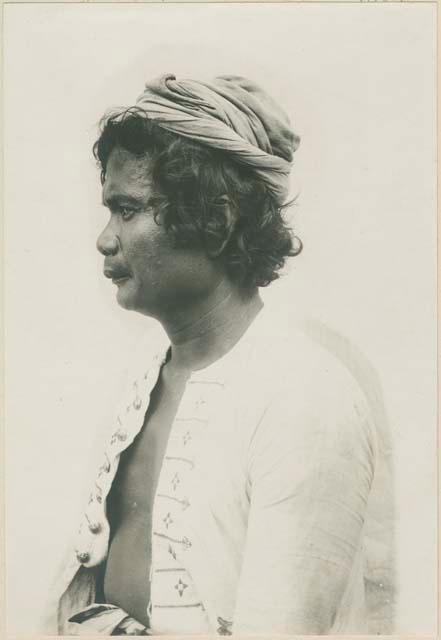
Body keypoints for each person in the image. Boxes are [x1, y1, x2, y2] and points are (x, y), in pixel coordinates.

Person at [42, 73, 394, 635]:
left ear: (216, 219)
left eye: (127, 210)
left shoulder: (306, 399)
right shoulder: (144, 371)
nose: (106, 239)